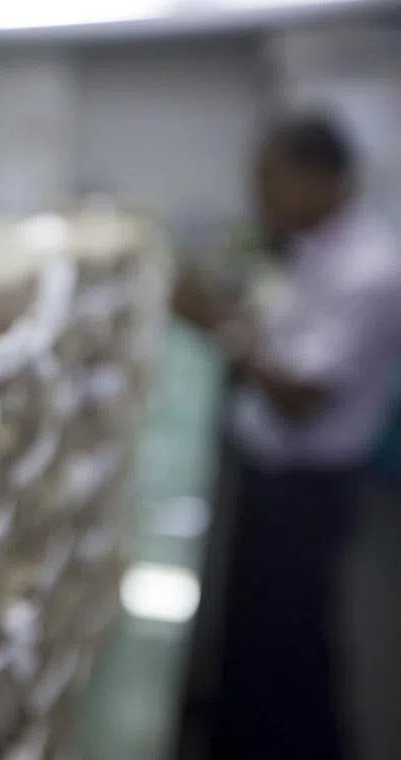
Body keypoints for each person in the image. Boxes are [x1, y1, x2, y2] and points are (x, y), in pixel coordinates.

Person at [173, 114, 401, 759]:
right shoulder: (311, 249)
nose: (260, 196)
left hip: (308, 487)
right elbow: (280, 337)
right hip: (272, 470)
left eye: (270, 180)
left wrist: (214, 326)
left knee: (291, 642)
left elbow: (303, 399)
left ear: (324, 179)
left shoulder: (369, 270)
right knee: (258, 635)